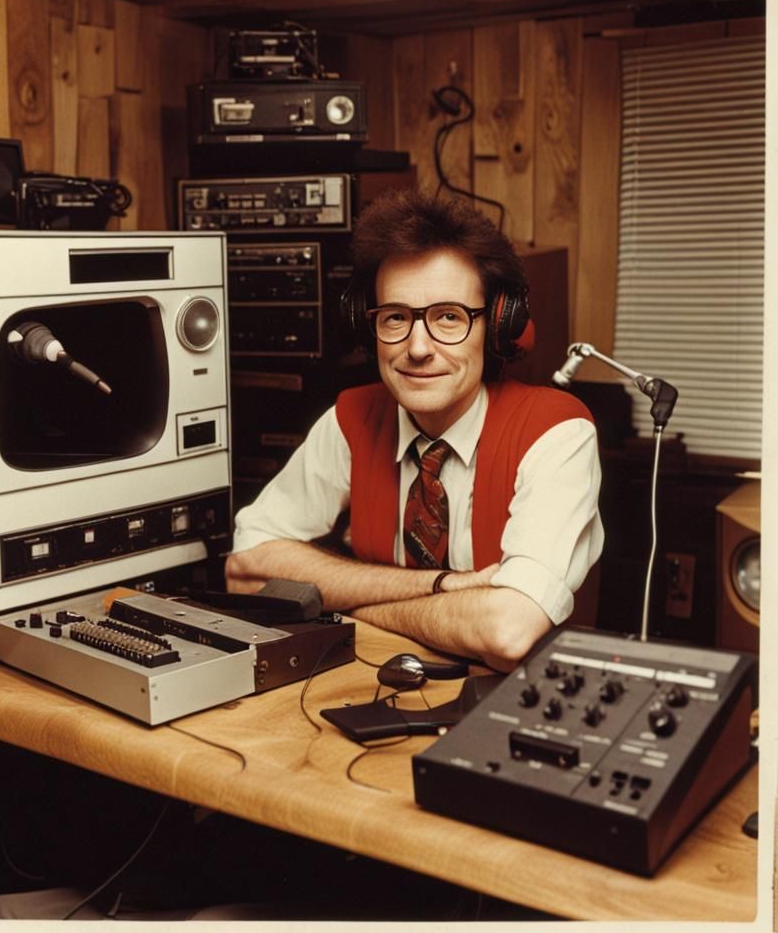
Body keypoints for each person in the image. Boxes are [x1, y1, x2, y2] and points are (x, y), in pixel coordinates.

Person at [225, 190, 603, 671]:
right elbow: (246, 568)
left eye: (449, 317)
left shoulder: (557, 432)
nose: (418, 347)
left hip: (514, 707)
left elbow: (507, 632)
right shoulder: (352, 418)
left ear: (498, 325)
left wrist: (346, 602)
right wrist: (438, 587)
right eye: (396, 317)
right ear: (369, 328)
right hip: (366, 689)